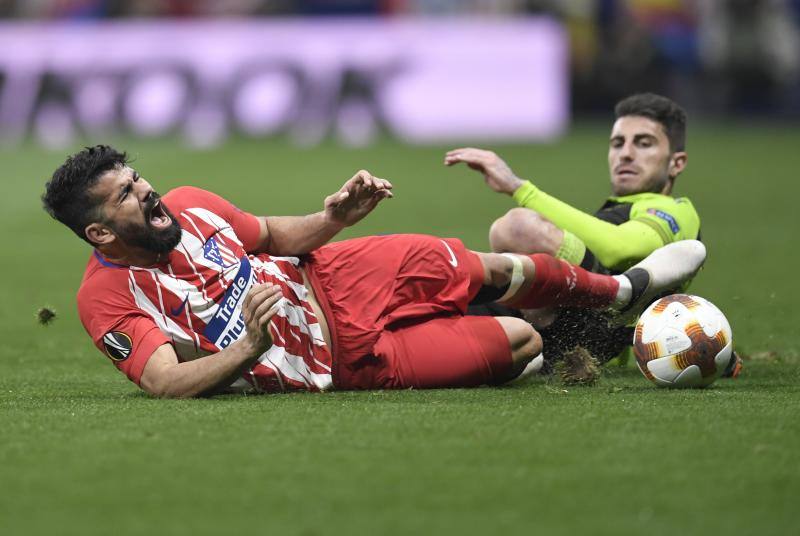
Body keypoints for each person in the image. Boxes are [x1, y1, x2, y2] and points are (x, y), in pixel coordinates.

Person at [41, 145, 706, 398]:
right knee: (519, 345)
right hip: (337, 361)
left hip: (338, 273)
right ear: (100, 232)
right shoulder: (105, 300)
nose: (148, 192)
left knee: (488, 267)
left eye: (137, 178)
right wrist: (249, 349)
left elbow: (272, 235)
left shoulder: (189, 204)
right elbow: (164, 383)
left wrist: (335, 217)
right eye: (127, 195)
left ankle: (623, 289)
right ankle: (559, 328)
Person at [445, 93, 739, 377]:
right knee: (423, 295)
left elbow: (620, 249)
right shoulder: (609, 216)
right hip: (516, 318)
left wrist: (520, 189)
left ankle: (617, 297)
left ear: (677, 162)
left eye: (644, 143)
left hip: (572, 331)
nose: (626, 153)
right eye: (617, 143)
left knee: (516, 228)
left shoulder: (676, 210)